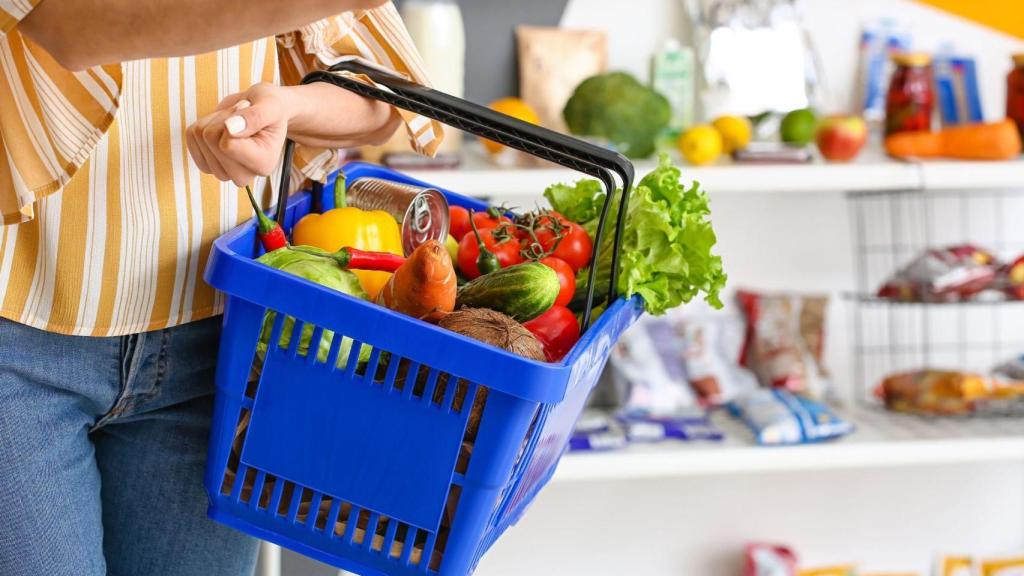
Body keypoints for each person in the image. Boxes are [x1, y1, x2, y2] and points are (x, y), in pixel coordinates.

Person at [0, 1, 443, 574]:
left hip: (213, 352)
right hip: (23, 343)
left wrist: (289, 104)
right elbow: (69, 28)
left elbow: (387, 95)